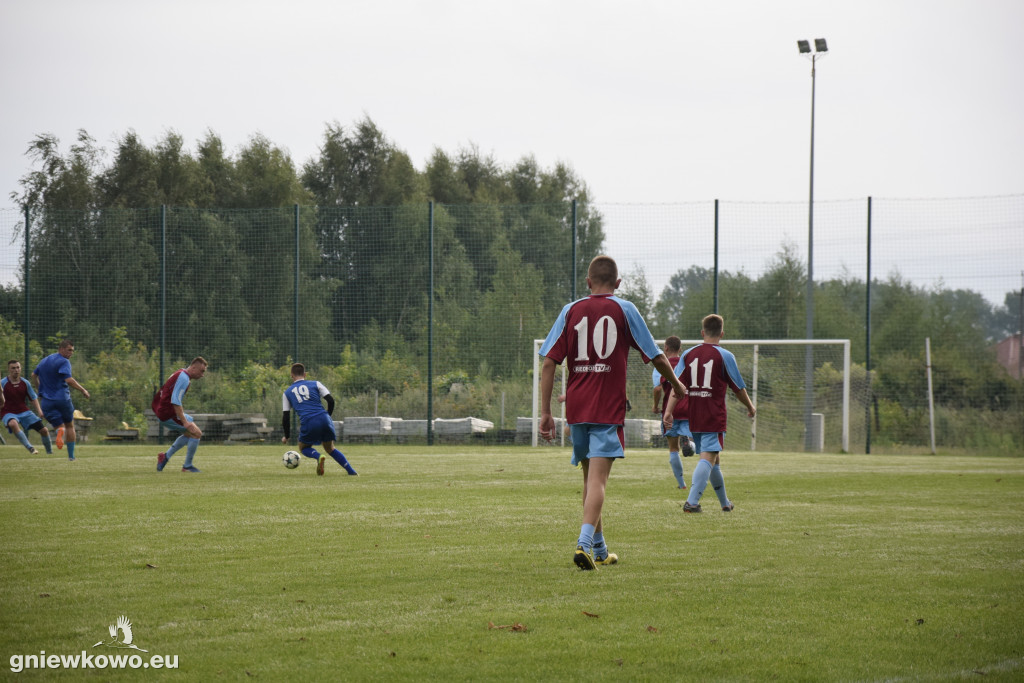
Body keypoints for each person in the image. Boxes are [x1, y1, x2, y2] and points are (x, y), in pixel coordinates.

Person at [539, 255, 685, 570]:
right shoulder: (624, 309)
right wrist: (677, 384)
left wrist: (546, 412)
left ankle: (601, 550)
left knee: (590, 481)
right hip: (606, 408)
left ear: (588, 282)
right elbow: (656, 357)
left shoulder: (570, 310)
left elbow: (549, 362)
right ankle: (583, 544)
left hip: (577, 409)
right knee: (599, 482)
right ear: (617, 284)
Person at [663, 314, 756, 513]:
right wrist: (750, 406)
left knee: (714, 460)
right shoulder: (725, 356)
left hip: (694, 415)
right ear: (722, 333)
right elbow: (738, 388)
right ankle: (692, 503)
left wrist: (668, 411)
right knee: (708, 457)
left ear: (702, 332)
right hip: (713, 415)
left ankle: (725, 503)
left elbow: (677, 385)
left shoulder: (688, 354)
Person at [281, 363, 357, 476]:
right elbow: (331, 400)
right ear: (305, 374)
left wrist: (287, 436)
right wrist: (327, 417)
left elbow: (286, 417)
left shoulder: (287, 393)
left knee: (303, 447)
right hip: (324, 418)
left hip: (308, 421)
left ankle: (318, 456)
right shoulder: (316, 383)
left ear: (291, 375)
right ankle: (351, 472)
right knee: (330, 448)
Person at [32, 340, 90, 461]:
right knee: (70, 426)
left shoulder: (44, 360)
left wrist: (40, 389)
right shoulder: (64, 361)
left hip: (47, 401)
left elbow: (33, 375)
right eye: (69, 350)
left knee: (59, 425)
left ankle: (60, 431)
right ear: (61, 349)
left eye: (73, 350)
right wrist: (83, 390)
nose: (71, 353)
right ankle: (71, 456)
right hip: (63, 399)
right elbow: (68, 380)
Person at [651, 336, 694, 489]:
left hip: (670, 412)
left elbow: (657, 388)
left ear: (666, 348)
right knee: (698, 444)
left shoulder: (662, 365)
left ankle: (682, 485)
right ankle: (690, 444)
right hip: (688, 410)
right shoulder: (687, 364)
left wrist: (656, 406)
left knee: (673, 449)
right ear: (680, 350)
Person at [152, 357, 208, 473]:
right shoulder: (184, 379)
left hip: (163, 410)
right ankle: (187, 466)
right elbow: (175, 401)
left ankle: (165, 457)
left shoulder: (180, 372)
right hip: (168, 413)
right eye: (201, 371)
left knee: (189, 433)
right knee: (196, 433)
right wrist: (184, 422)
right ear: (193, 368)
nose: (202, 375)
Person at [2, 359, 53, 455]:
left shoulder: (25, 383)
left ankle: (49, 453)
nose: (16, 370)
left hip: (23, 411)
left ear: (20, 369)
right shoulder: (3, 383)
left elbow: (33, 398)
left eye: (18, 367)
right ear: (9, 370)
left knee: (44, 430)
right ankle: (30, 448)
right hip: (8, 412)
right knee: (13, 424)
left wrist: (40, 411)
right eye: (13, 368)